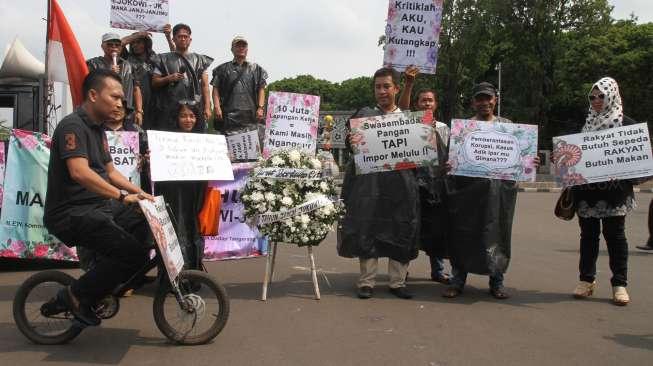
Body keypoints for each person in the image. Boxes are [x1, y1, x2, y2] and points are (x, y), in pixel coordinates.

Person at [43, 69, 155, 326]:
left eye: (122, 99)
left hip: (97, 207)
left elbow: (111, 172)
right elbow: (79, 172)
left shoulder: (98, 130)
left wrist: (141, 194)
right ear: (93, 95)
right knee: (132, 255)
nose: (120, 103)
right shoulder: (72, 126)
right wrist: (121, 196)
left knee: (144, 221)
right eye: (114, 97)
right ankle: (76, 294)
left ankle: (104, 278)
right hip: (71, 213)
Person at [443, 82, 539, 300]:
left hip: (499, 194)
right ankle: (457, 281)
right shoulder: (463, 128)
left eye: (488, 98)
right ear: (473, 102)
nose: (484, 102)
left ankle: (497, 282)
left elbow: (520, 158)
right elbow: (451, 162)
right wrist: (449, 165)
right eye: (479, 98)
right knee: (464, 234)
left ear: (495, 100)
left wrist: (531, 161)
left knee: (498, 234)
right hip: (468, 192)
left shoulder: (509, 126)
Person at [338, 67, 420, 300]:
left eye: (386, 86)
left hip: (402, 184)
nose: (382, 91)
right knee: (368, 227)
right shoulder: (364, 115)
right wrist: (351, 141)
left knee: (401, 226)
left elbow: (421, 151)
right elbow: (351, 143)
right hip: (370, 184)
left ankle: (397, 282)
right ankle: (367, 282)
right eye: (377, 87)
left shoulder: (406, 118)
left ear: (396, 88)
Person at [558, 77, 637, 305]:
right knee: (588, 237)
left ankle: (619, 284)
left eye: (601, 96)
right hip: (587, 193)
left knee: (616, 237)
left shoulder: (628, 126)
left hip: (615, 193)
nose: (596, 101)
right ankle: (586, 280)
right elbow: (569, 155)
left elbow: (638, 160)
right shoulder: (584, 126)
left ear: (612, 95)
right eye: (592, 97)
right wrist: (561, 161)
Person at [399, 66, 450, 283]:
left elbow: (450, 154)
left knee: (437, 228)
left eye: (430, 100)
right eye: (423, 100)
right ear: (417, 104)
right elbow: (401, 109)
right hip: (413, 183)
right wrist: (409, 83)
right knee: (409, 226)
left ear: (435, 104)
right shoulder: (410, 124)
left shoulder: (444, 127)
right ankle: (402, 270)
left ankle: (437, 271)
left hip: (437, 186)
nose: (427, 103)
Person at [155, 101, 208, 270]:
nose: (188, 120)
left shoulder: (204, 140)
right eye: (183, 116)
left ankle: (193, 272)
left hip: (194, 193)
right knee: (174, 230)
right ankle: (175, 275)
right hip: (173, 193)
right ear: (176, 118)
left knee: (193, 230)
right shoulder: (165, 139)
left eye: (192, 116)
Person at [151, 23, 213, 131]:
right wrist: (168, 78)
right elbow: (154, 82)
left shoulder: (200, 60)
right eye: (180, 36)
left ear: (190, 39)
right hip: (169, 108)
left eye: (186, 36)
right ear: (174, 39)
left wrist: (207, 107)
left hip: (193, 109)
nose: (183, 39)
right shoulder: (163, 59)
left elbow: (205, 85)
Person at [211, 36, 268, 145]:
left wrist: (261, 107)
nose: (241, 48)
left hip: (251, 116)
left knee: (251, 148)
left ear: (247, 49)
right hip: (229, 116)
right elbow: (215, 89)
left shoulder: (256, 69)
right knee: (230, 149)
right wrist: (217, 107)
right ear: (232, 49)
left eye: (244, 46)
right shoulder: (222, 69)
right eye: (238, 46)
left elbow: (261, 89)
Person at [120, 25, 175, 130]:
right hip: (131, 103)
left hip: (153, 104)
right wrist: (138, 35)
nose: (135, 45)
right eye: (133, 43)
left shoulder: (154, 59)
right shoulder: (127, 58)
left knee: (150, 136)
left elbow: (175, 56)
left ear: (146, 44)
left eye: (139, 42)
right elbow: (120, 43)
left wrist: (168, 36)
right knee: (131, 134)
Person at [86, 33, 143, 126]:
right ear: (102, 46)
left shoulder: (128, 66)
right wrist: (108, 72)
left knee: (127, 140)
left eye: (117, 45)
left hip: (125, 114)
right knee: (103, 140)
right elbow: (88, 87)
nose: (114, 48)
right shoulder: (93, 64)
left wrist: (139, 111)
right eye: (110, 44)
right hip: (102, 115)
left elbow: (136, 89)